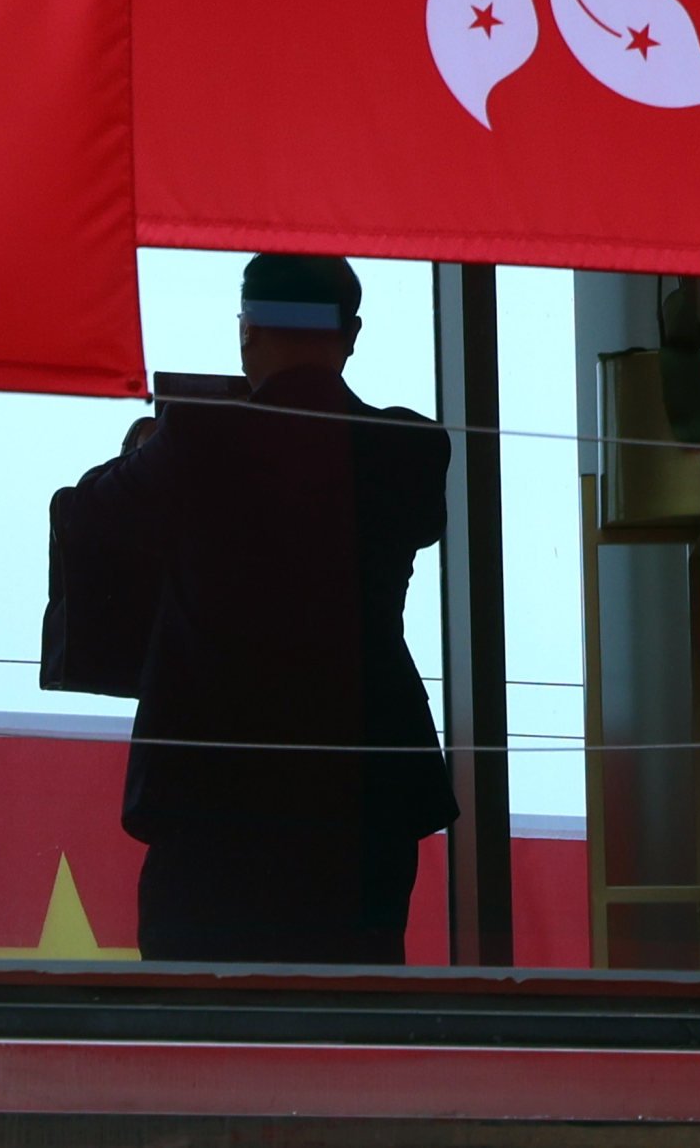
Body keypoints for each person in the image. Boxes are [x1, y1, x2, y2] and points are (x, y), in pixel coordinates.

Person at [45, 254, 453, 964]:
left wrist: (144, 449)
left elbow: (87, 518)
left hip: (216, 797)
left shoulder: (200, 437)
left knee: (205, 1009)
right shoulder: (409, 446)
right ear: (351, 334)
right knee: (357, 1006)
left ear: (248, 330)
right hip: (365, 795)